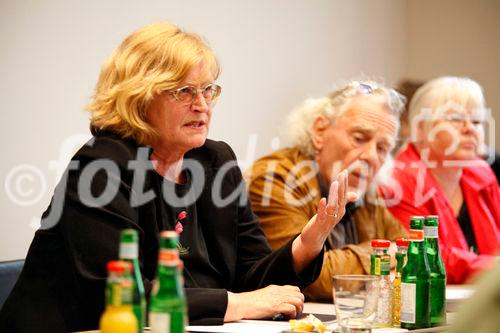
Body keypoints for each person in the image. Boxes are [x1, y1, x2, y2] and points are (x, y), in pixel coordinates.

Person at [0, 22, 357, 332]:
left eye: (208, 90)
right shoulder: (101, 167)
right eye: (184, 91)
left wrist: (306, 245)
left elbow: (252, 275)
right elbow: (119, 291)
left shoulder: (216, 161)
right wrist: (237, 304)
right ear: (139, 98)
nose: (202, 104)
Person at [247, 81, 408, 301]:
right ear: (320, 131)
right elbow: (312, 278)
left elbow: (415, 259)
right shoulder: (276, 179)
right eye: (359, 138)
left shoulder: (366, 192)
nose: (371, 156)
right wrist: (382, 254)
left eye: (382, 148)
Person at [379, 76, 500, 284]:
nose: (470, 128)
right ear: (420, 130)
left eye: (477, 121)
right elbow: (425, 256)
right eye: (455, 119)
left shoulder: (483, 174)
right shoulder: (398, 180)